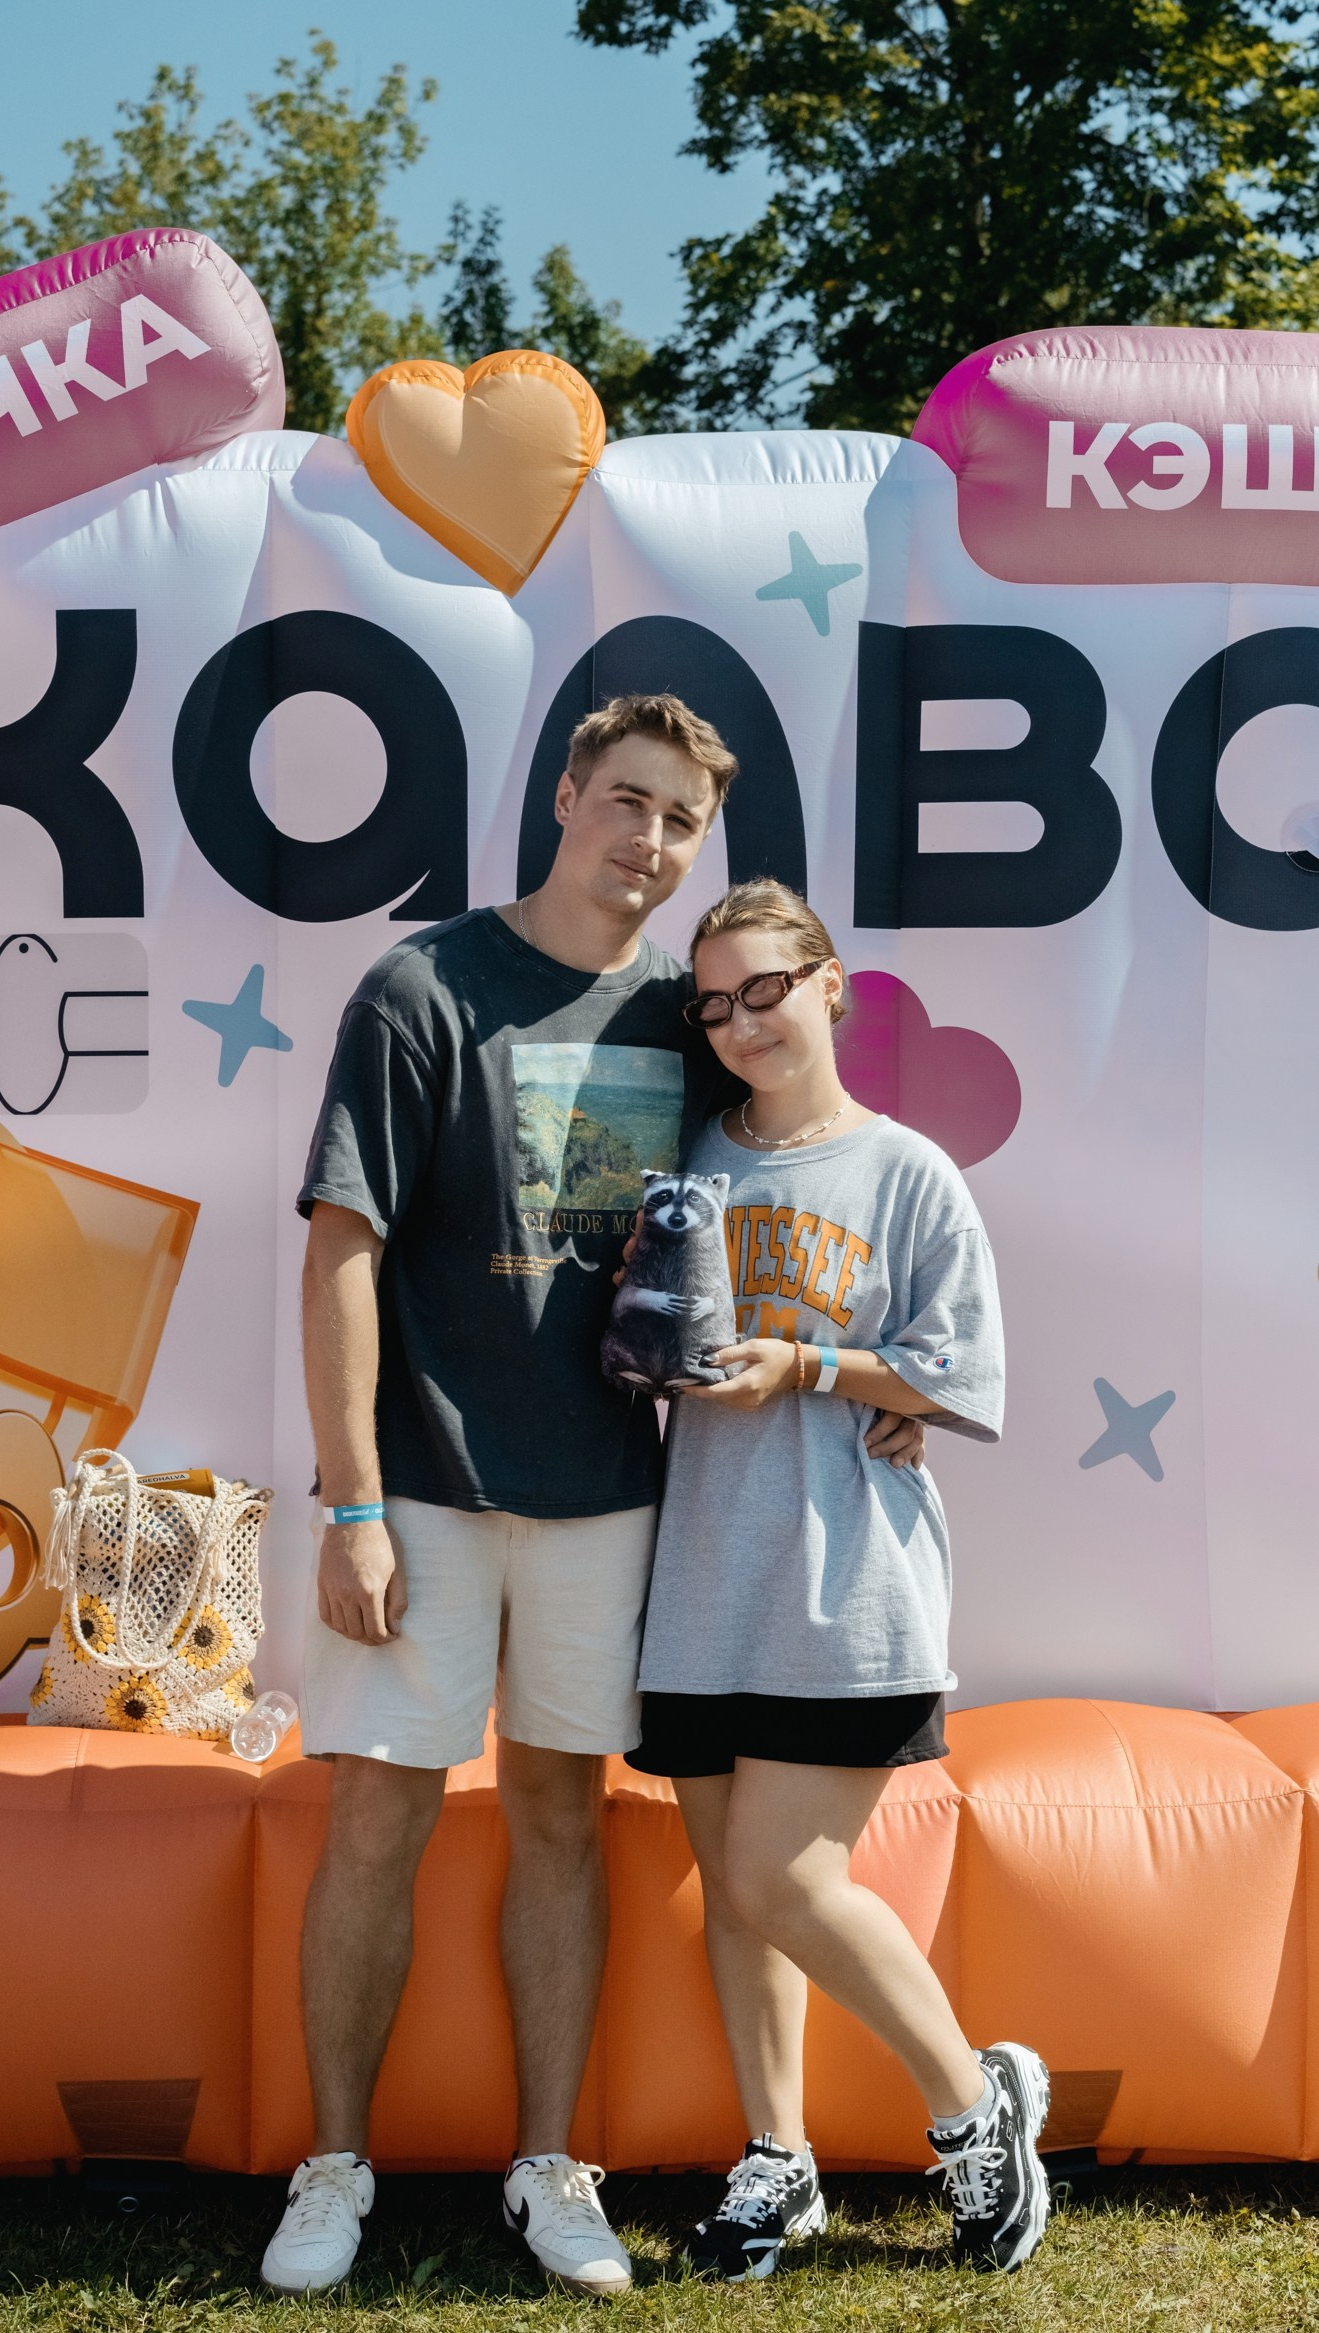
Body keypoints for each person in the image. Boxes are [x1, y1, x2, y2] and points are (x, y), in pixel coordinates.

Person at [262, 694, 926, 2296]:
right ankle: (333, 2165)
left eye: (682, 820)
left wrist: (879, 1382)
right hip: (421, 1489)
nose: (650, 838)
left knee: (561, 1817)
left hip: (615, 1496)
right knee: (377, 1816)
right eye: (628, 799)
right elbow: (341, 1248)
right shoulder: (424, 986)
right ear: (565, 796)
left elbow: (794, 1179)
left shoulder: (691, 1020)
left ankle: (551, 2167)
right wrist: (351, 1502)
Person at [626, 878, 1050, 2281]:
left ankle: (973, 2109)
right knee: (734, 1888)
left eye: (766, 989)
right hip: (699, 1573)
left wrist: (819, 1366)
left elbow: (965, 1375)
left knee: (781, 1877)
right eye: (716, 1005)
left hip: (847, 1580)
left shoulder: (908, 1172)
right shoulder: (687, 1155)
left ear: (829, 986)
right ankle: (778, 2157)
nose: (743, 1022)